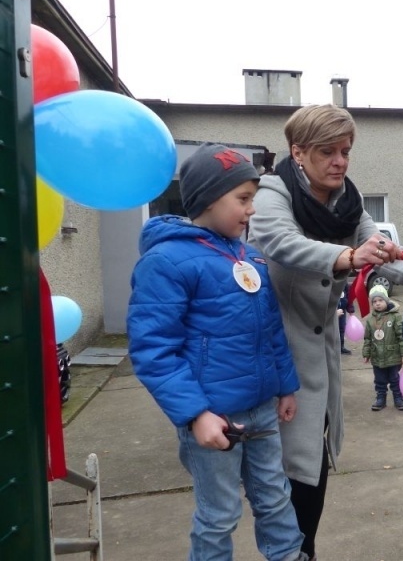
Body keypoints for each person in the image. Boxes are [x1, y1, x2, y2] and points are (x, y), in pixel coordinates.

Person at [247, 104, 403, 560]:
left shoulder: (347, 200)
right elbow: (283, 242)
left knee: (313, 468)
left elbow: (380, 248)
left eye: (346, 151)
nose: (340, 161)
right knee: (279, 478)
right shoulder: (270, 193)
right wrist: (348, 257)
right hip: (276, 357)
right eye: (328, 151)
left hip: (319, 358)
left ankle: (306, 552)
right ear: (297, 152)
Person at [126, 143, 307, 561]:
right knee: (219, 515)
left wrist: (285, 387)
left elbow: (270, 331)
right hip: (214, 419)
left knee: (276, 501)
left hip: (262, 409)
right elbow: (154, 350)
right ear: (208, 198)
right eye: (243, 199)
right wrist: (194, 414)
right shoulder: (166, 262)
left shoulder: (252, 257)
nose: (252, 210)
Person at [362, 284, 403, 411]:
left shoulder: (395, 317)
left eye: (380, 300)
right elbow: (367, 338)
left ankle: (398, 398)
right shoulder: (370, 320)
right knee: (379, 380)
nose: (377, 303)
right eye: (374, 301)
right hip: (377, 356)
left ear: (386, 300)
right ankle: (380, 398)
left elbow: (401, 336)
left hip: (393, 356)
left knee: (394, 379)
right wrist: (366, 353)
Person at [337, 283, 355, 355]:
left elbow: (349, 297)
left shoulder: (345, 285)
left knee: (342, 329)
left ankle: (341, 347)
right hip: (333, 312)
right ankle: (334, 348)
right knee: (333, 329)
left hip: (342, 311)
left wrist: (350, 310)